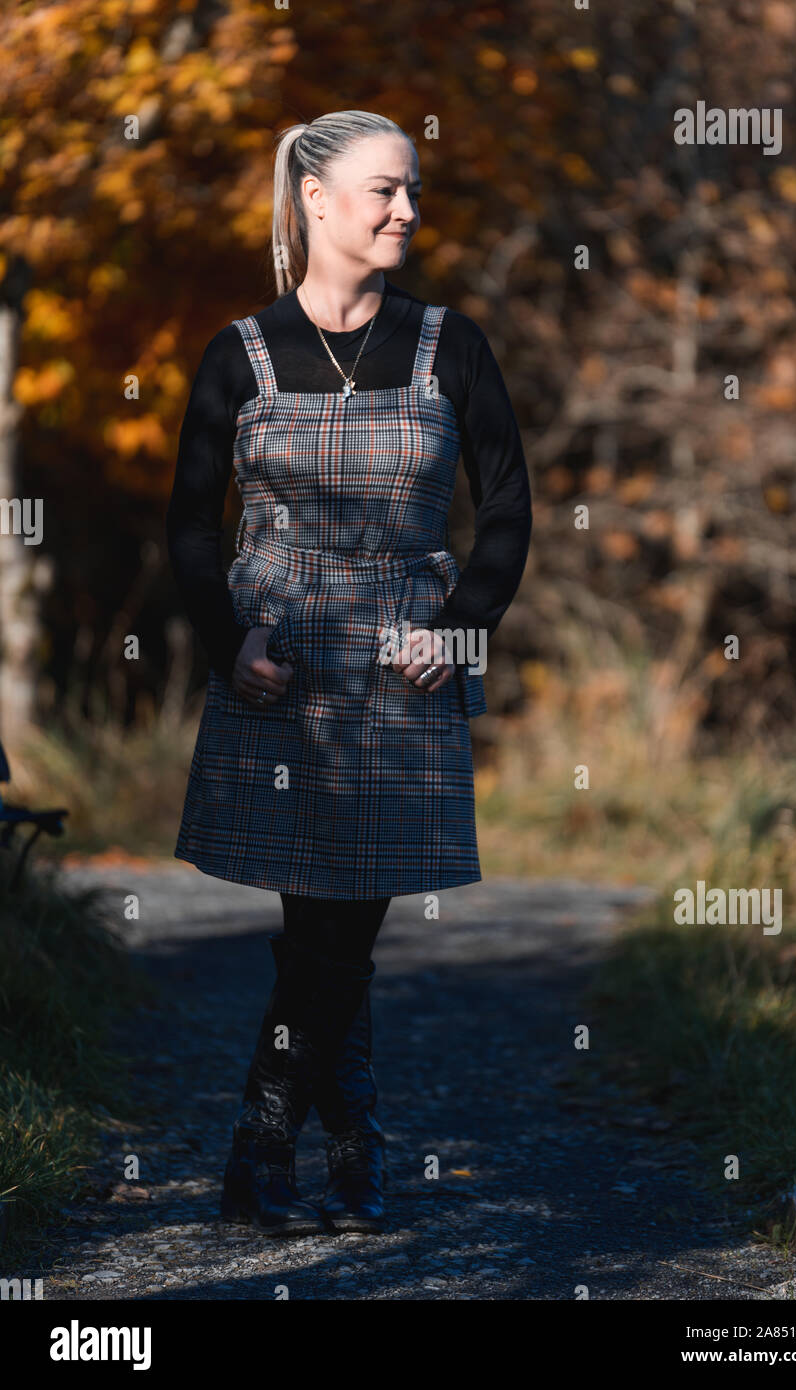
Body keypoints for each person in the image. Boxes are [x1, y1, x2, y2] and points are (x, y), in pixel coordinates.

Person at [165, 109, 532, 1236]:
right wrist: (231, 646)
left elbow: (509, 508)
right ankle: (347, 1150)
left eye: (412, 190)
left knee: (339, 932)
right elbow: (185, 527)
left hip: (402, 670)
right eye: (384, 191)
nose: (405, 212)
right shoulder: (239, 354)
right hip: (280, 668)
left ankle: (267, 1146)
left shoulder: (449, 343)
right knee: (319, 929)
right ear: (315, 200)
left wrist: (460, 625)